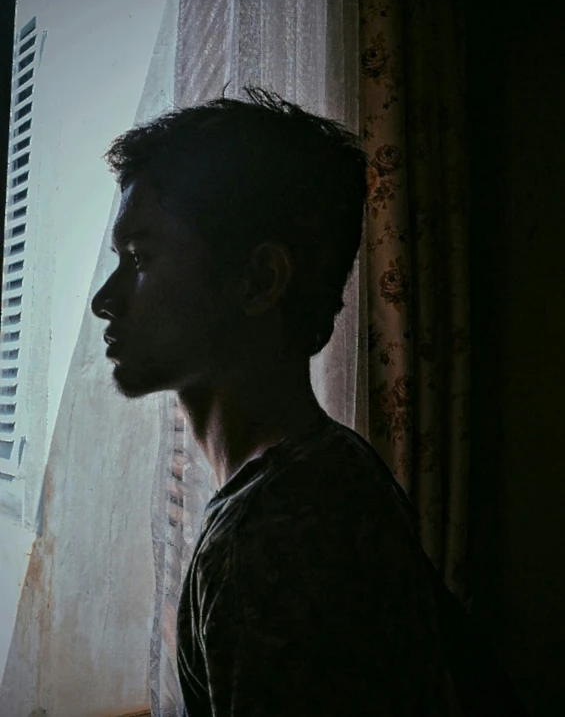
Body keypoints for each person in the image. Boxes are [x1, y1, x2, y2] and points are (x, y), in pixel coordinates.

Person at [91, 88, 527, 717]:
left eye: (139, 258)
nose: (104, 299)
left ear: (259, 280)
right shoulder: (331, 469)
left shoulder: (274, 539)